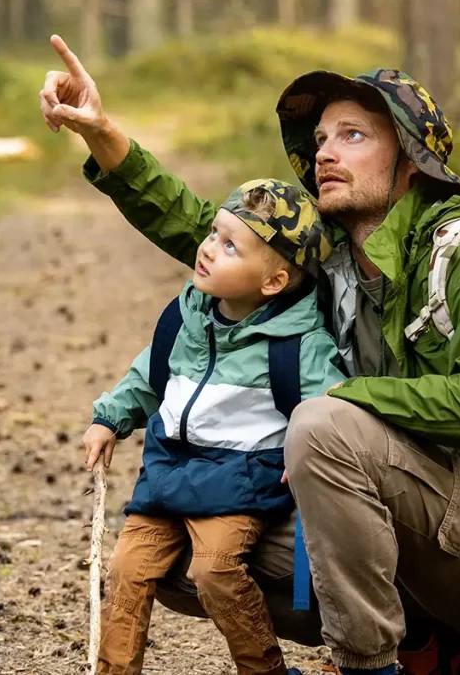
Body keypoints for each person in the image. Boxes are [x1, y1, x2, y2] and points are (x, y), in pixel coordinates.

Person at [42, 33, 460, 675]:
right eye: (320, 139)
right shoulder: (339, 260)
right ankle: (429, 643)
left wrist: (342, 399)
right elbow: (205, 232)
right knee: (186, 545)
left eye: (353, 135)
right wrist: (100, 133)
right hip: (424, 515)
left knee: (322, 425)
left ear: (410, 157)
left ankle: (371, 664)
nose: (325, 152)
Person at [81, 176, 345, 675]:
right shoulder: (188, 316)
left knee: (216, 570)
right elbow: (150, 372)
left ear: (272, 282)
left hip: (239, 482)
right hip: (168, 472)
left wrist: (311, 456)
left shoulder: (299, 343)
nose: (207, 250)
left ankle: (262, 667)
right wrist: (109, 418)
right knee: (128, 569)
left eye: (229, 246)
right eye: (212, 234)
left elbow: (326, 405)